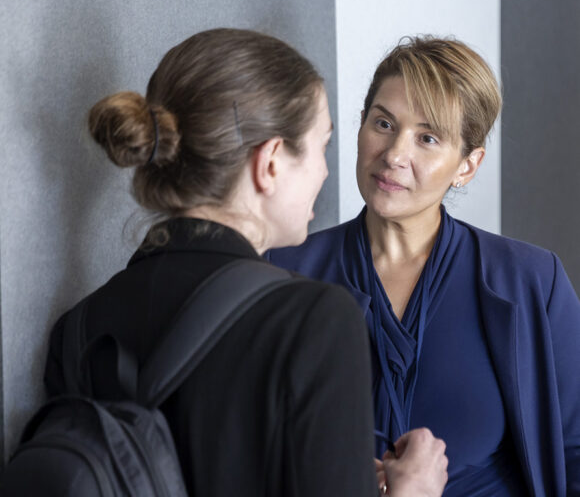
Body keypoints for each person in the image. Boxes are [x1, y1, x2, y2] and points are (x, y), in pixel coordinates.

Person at [42, 29, 448, 497]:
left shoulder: (77, 330)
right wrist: (414, 490)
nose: (324, 171)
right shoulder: (316, 319)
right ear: (271, 162)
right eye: (321, 147)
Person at [267, 35, 580, 496]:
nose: (394, 155)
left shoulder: (533, 281)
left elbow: (575, 453)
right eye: (383, 123)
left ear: (467, 166)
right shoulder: (280, 273)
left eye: (427, 138)